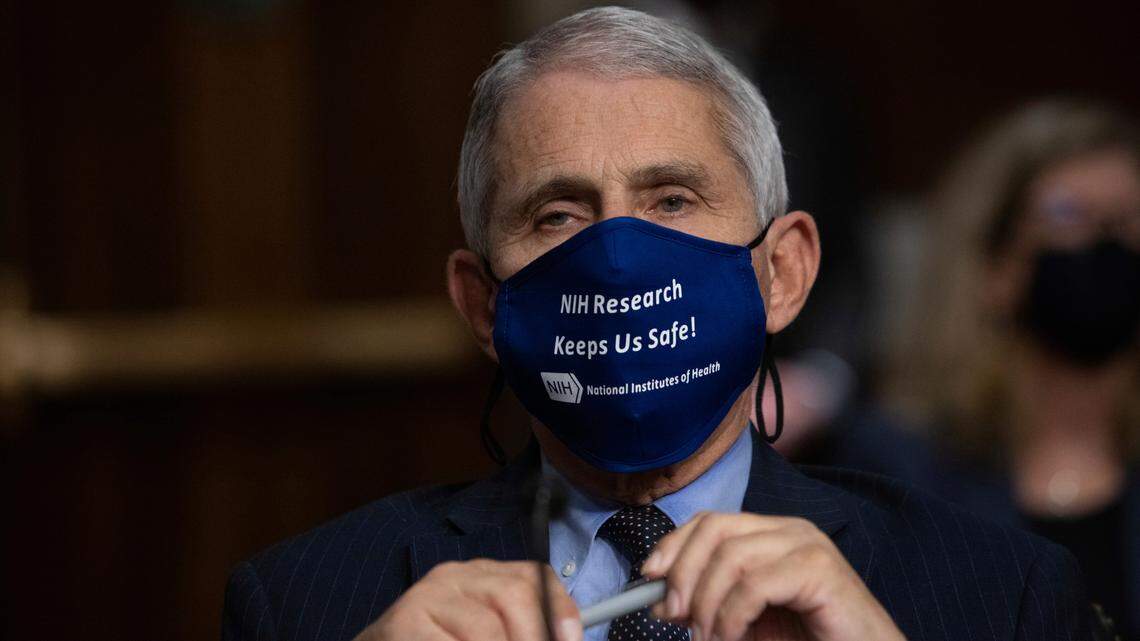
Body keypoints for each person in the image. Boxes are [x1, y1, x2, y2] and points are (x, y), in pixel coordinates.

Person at [222, 9, 1094, 641]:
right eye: (559, 215)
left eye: (672, 200)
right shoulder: (305, 605)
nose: (618, 256)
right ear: (483, 304)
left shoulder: (1001, 594)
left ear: (782, 270)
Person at [886, 99, 1140, 638]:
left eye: (1127, 219)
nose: (1108, 243)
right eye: (1070, 217)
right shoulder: (902, 473)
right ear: (992, 264)